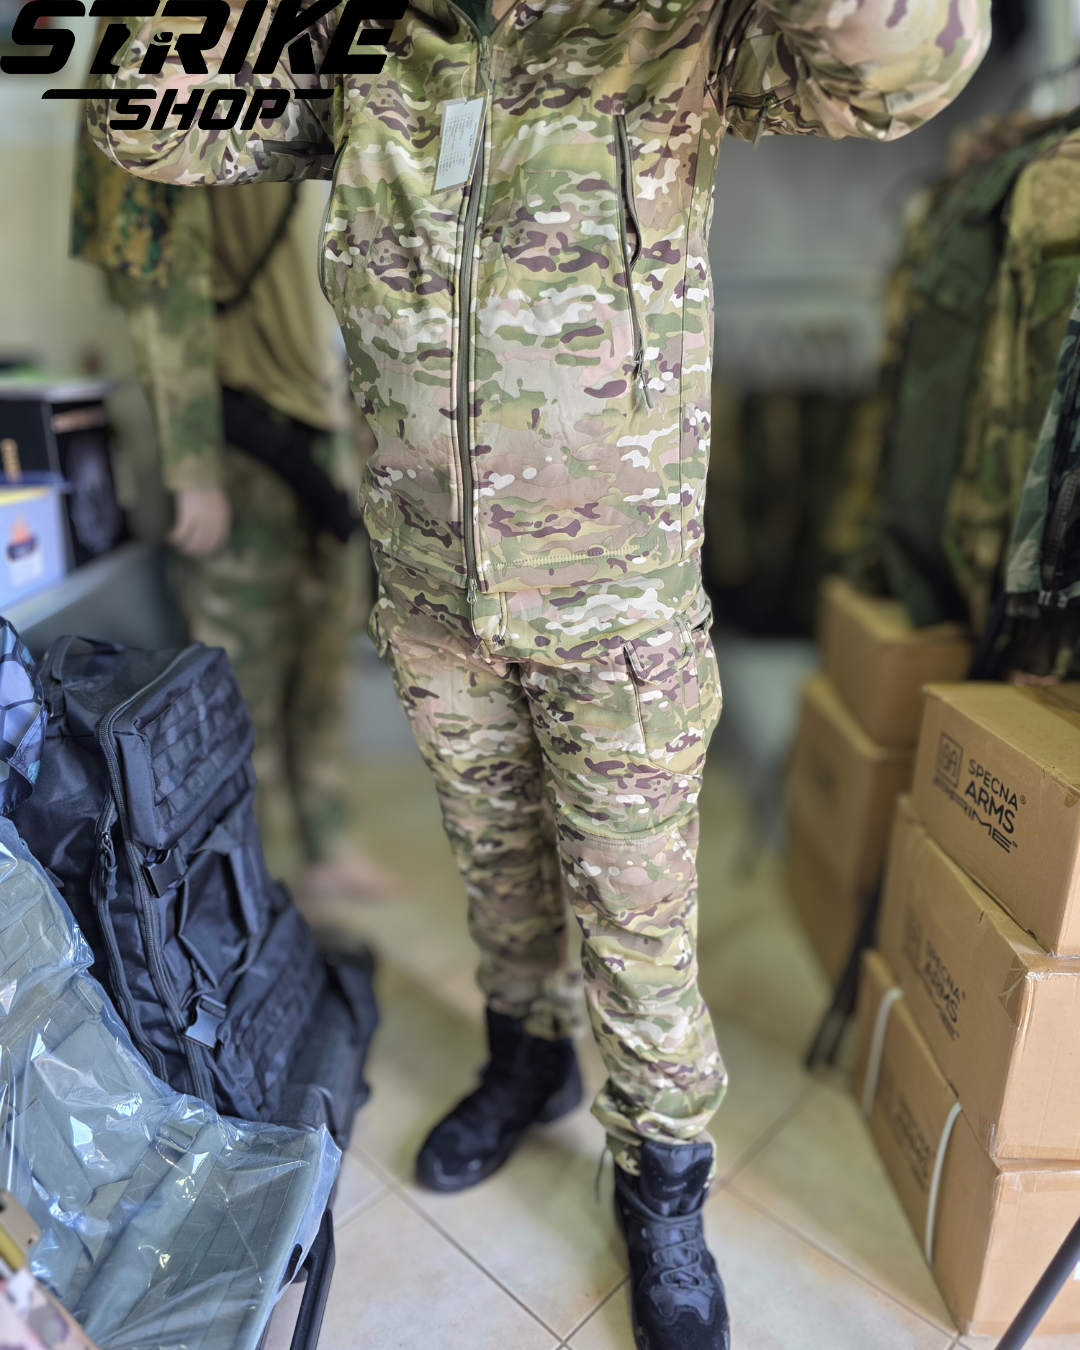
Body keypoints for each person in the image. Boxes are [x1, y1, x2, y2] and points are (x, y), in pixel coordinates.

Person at [90, 3, 990, 1344]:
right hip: (433, 594)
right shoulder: (372, 43)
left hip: (615, 608)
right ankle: (527, 1058)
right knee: (498, 868)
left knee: (637, 918)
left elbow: (910, 68)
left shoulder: (673, 29)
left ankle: (663, 1176)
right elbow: (147, 121)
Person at [72, 133, 392, 896]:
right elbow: (154, 276)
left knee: (323, 653)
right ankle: (262, 887)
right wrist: (191, 463)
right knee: (240, 683)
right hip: (237, 434)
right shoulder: (147, 76)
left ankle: (325, 845)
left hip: (322, 420)